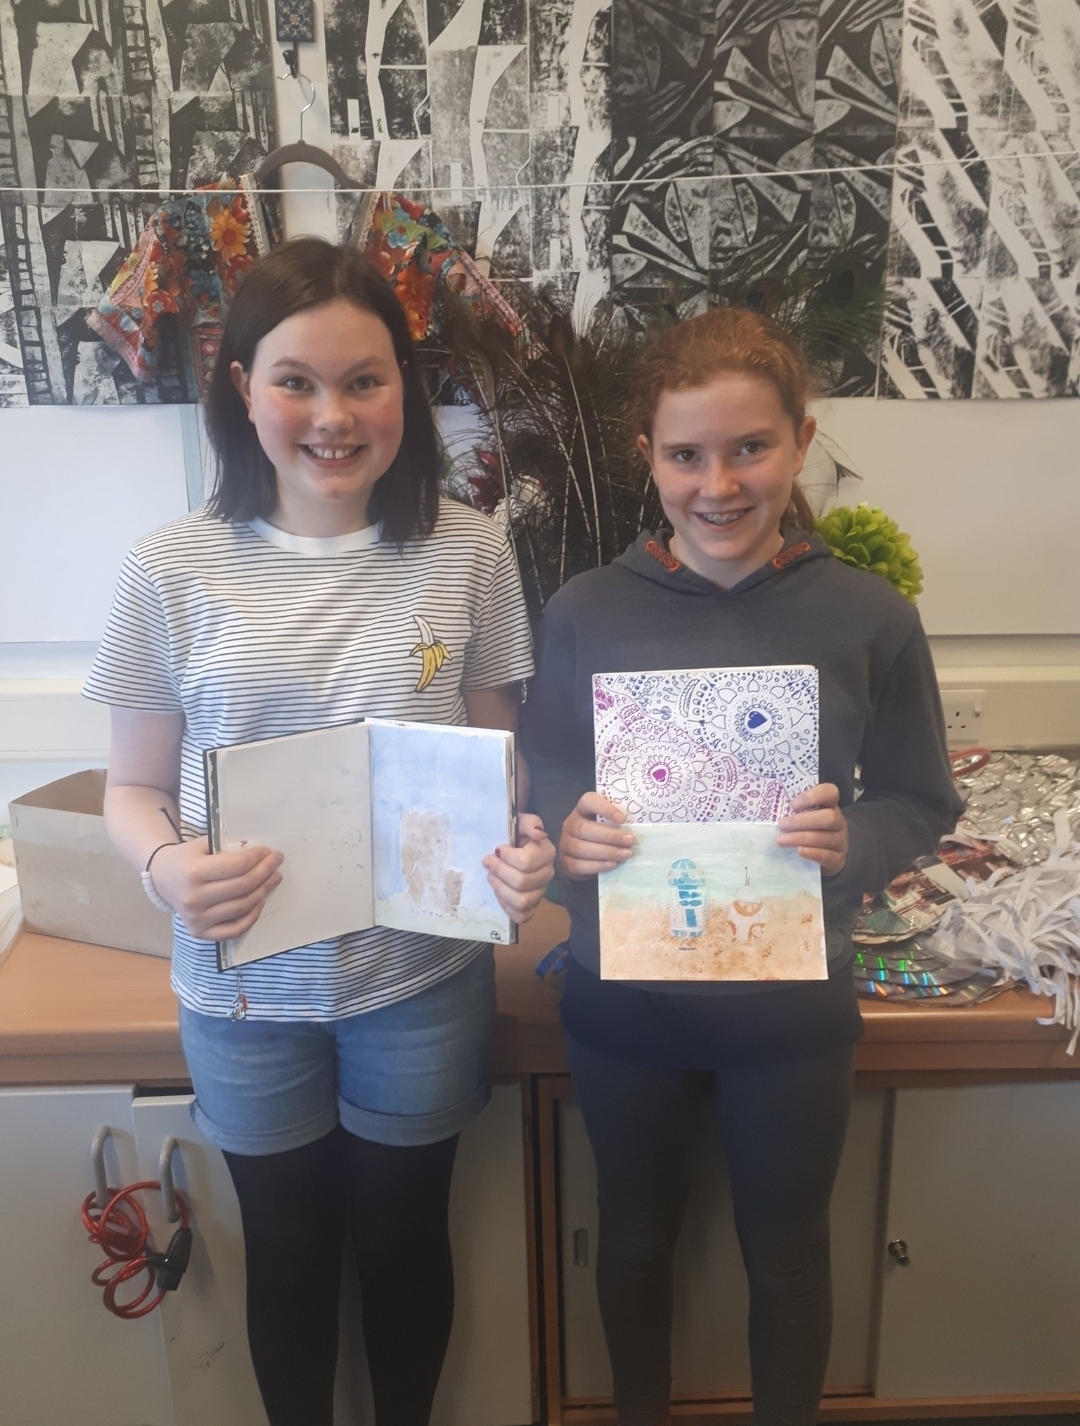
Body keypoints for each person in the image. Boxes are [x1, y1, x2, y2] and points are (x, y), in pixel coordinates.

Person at [84, 238, 556, 1426]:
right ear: (242, 387)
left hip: (420, 978)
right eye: (297, 381)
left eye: (364, 380)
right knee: (288, 1253)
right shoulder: (167, 567)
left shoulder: (470, 548)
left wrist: (519, 848)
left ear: (406, 387)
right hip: (243, 991)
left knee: (405, 1242)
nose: (333, 416)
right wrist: (167, 867)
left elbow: (498, 763)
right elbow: (129, 788)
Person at [524, 306, 962, 1426]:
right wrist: (570, 832)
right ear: (648, 457)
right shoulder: (584, 611)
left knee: (790, 1250)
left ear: (800, 442)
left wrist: (854, 844)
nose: (717, 484)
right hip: (624, 1000)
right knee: (632, 1238)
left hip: (792, 1009)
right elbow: (550, 775)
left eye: (750, 448)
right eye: (686, 454)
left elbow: (922, 796)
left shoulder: (867, 615)